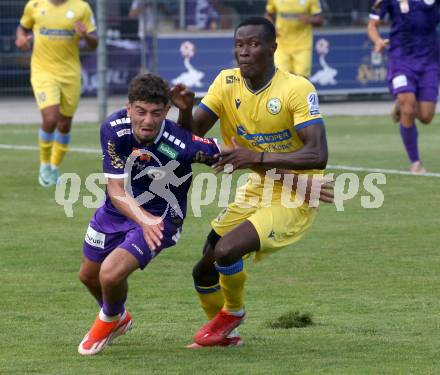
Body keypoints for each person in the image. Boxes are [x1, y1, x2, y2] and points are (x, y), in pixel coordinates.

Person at [178, 17, 330, 347]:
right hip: (259, 184)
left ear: (273, 48)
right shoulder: (225, 82)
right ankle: (223, 335)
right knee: (203, 269)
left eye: (253, 44)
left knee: (227, 249)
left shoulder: (296, 89)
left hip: (297, 192)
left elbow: (317, 154)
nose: (244, 52)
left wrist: (255, 158)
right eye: (239, 45)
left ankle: (233, 313)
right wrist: (185, 111)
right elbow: (190, 139)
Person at [77, 73, 225, 355]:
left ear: (165, 112)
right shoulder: (113, 128)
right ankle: (119, 317)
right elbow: (116, 189)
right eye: (141, 112)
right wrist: (140, 218)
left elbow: (232, 154)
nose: (147, 120)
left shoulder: (180, 143)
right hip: (117, 209)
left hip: (162, 217)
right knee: (89, 276)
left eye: (156, 113)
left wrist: (294, 177)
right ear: (129, 108)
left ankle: (109, 317)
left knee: (109, 275)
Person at [16, 0, 98, 187]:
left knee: (64, 123)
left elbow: (94, 42)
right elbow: (22, 28)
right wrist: (21, 39)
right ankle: (44, 165)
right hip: (43, 72)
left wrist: (86, 35)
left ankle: (54, 167)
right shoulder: (34, 5)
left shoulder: (81, 7)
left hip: (70, 74)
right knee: (51, 118)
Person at [367, 0, 439, 174]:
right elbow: (372, 24)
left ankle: (403, 102)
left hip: (429, 60)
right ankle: (415, 162)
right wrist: (377, 41)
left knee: (426, 117)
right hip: (401, 59)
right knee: (408, 106)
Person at [265, 0, 323, 77]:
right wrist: (271, 27)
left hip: (303, 44)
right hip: (281, 45)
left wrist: (309, 19)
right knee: (281, 77)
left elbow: (319, 19)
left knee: (302, 79)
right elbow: (268, 14)